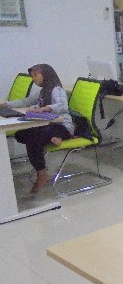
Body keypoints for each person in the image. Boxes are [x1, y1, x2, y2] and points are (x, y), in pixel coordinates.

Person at [1, 64, 74, 194]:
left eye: (35, 75)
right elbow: (26, 101)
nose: (33, 79)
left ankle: (42, 174)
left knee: (33, 138)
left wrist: (45, 108)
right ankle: (54, 140)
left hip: (62, 125)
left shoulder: (56, 89)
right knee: (20, 134)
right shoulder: (42, 91)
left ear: (45, 74)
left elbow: (63, 106)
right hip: (47, 125)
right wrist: (5, 104)